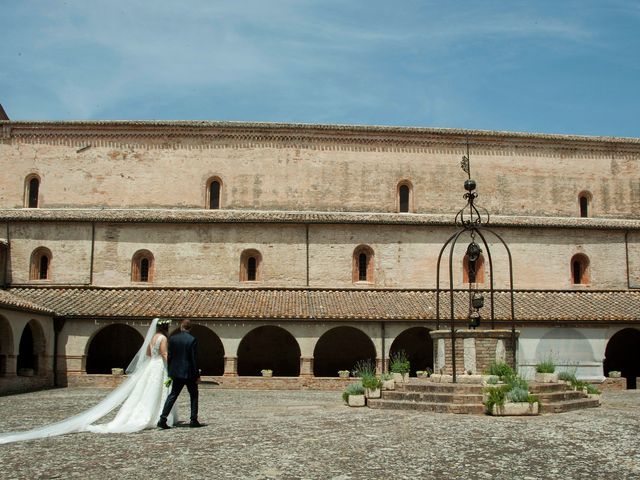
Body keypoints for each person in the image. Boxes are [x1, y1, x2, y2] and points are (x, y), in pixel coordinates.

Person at [0, 318, 176, 444]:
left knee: (144, 393)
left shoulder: (153, 338)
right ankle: (157, 416)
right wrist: (171, 365)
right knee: (158, 391)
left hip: (151, 367)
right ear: (166, 327)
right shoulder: (164, 339)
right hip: (159, 367)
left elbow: (146, 354)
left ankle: (149, 415)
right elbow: (165, 354)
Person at [157, 319, 201, 429]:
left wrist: (170, 371)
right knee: (194, 395)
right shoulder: (192, 340)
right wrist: (197, 375)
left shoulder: (172, 339)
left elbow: (170, 356)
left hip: (176, 373)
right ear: (190, 328)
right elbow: (193, 359)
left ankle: (162, 419)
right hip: (189, 373)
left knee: (173, 395)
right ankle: (193, 420)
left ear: (181, 327)